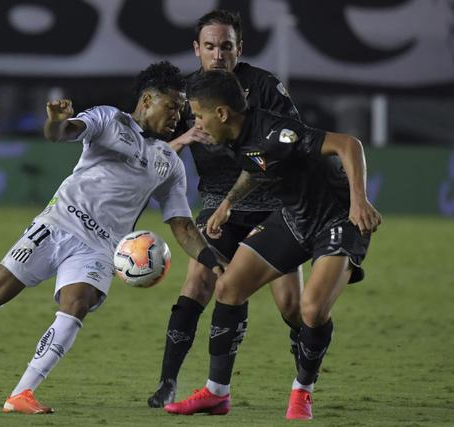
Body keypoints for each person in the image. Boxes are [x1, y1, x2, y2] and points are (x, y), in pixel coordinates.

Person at [0, 61, 226, 414]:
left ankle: (21, 393)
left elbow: (182, 226)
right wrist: (56, 120)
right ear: (147, 100)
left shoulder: (169, 163)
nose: (178, 116)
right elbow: (61, 133)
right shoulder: (108, 120)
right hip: (57, 224)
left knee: (75, 306)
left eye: (181, 109)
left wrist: (212, 261)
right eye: (173, 106)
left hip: (99, 249)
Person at [164, 70, 382, 419]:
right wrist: (227, 204)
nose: (196, 122)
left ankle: (302, 392)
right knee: (229, 286)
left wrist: (359, 200)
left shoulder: (278, 132)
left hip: (337, 221)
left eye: (199, 114)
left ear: (221, 114)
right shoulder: (238, 137)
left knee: (310, 309)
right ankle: (217, 393)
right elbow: (257, 166)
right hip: (294, 218)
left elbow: (347, 144)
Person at [148, 9, 304, 407]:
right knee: (198, 282)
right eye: (211, 47)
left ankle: (304, 383)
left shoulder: (265, 87)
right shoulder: (183, 98)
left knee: (292, 307)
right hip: (218, 202)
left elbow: (290, 143)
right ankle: (168, 382)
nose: (219, 55)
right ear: (196, 49)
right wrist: (182, 139)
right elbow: (149, 150)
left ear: (240, 49)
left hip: (274, 206)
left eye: (227, 47)